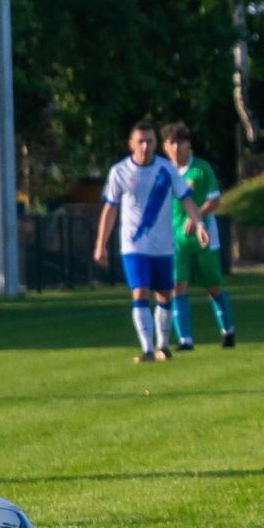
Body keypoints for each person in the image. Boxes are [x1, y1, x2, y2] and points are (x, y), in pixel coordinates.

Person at [93, 121, 211, 363]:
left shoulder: (166, 170)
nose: (145, 146)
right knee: (140, 292)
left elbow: (186, 199)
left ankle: (162, 346)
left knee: (165, 294)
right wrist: (100, 244)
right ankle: (147, 349)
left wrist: (199, 224)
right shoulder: (119, 172)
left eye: (150, 141)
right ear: (131, 144)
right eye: (141, 141)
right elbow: (110, 209)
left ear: (156, 144)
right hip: (134, 246)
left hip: (163, 246)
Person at [160, 122, 236, 350]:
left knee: (212, 287)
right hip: (174, 240)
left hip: (204, 238)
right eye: (172, 143)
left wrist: (197, 218)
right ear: (165, 146)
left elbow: (215, 200)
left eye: (181, 142)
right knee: (177, 285)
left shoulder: (201, 169)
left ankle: (228, 330)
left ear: (189, 144)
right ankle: (185, 340)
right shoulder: (163, 172)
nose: (177, 147)